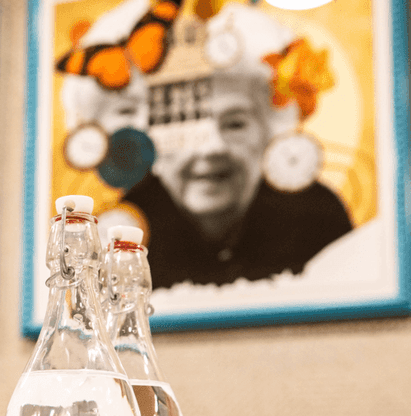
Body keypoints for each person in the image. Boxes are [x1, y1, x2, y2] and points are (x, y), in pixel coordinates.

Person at [58, 1, 352, 290]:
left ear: (269, 129)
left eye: (235, 123)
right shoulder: (120, 233)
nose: (211, 148)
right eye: (185, 122)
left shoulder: (317, 216)